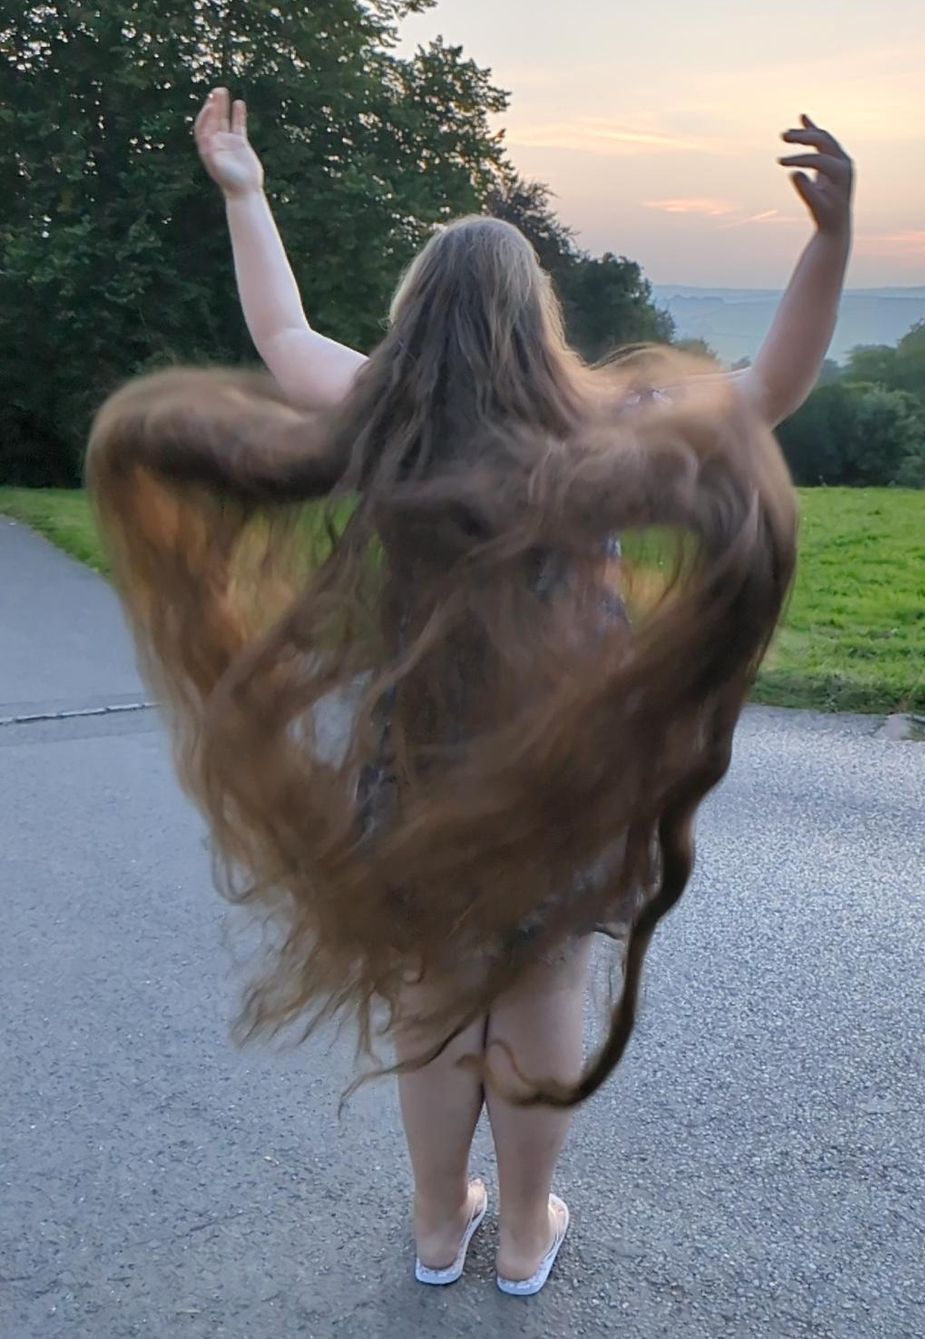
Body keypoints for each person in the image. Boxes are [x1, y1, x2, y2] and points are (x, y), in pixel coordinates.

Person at [86, 89, 852, 1295]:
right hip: (565, 765)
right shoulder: (601, 427)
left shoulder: (385, 420)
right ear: (532, 318)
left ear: (414, 321)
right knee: (543, 976)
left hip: (417, 752)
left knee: (433, 982)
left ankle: (441, 1221)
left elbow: (282, 335)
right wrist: (829, 242)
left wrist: (247, 190)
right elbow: (766, 390)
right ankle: (524, 1226)